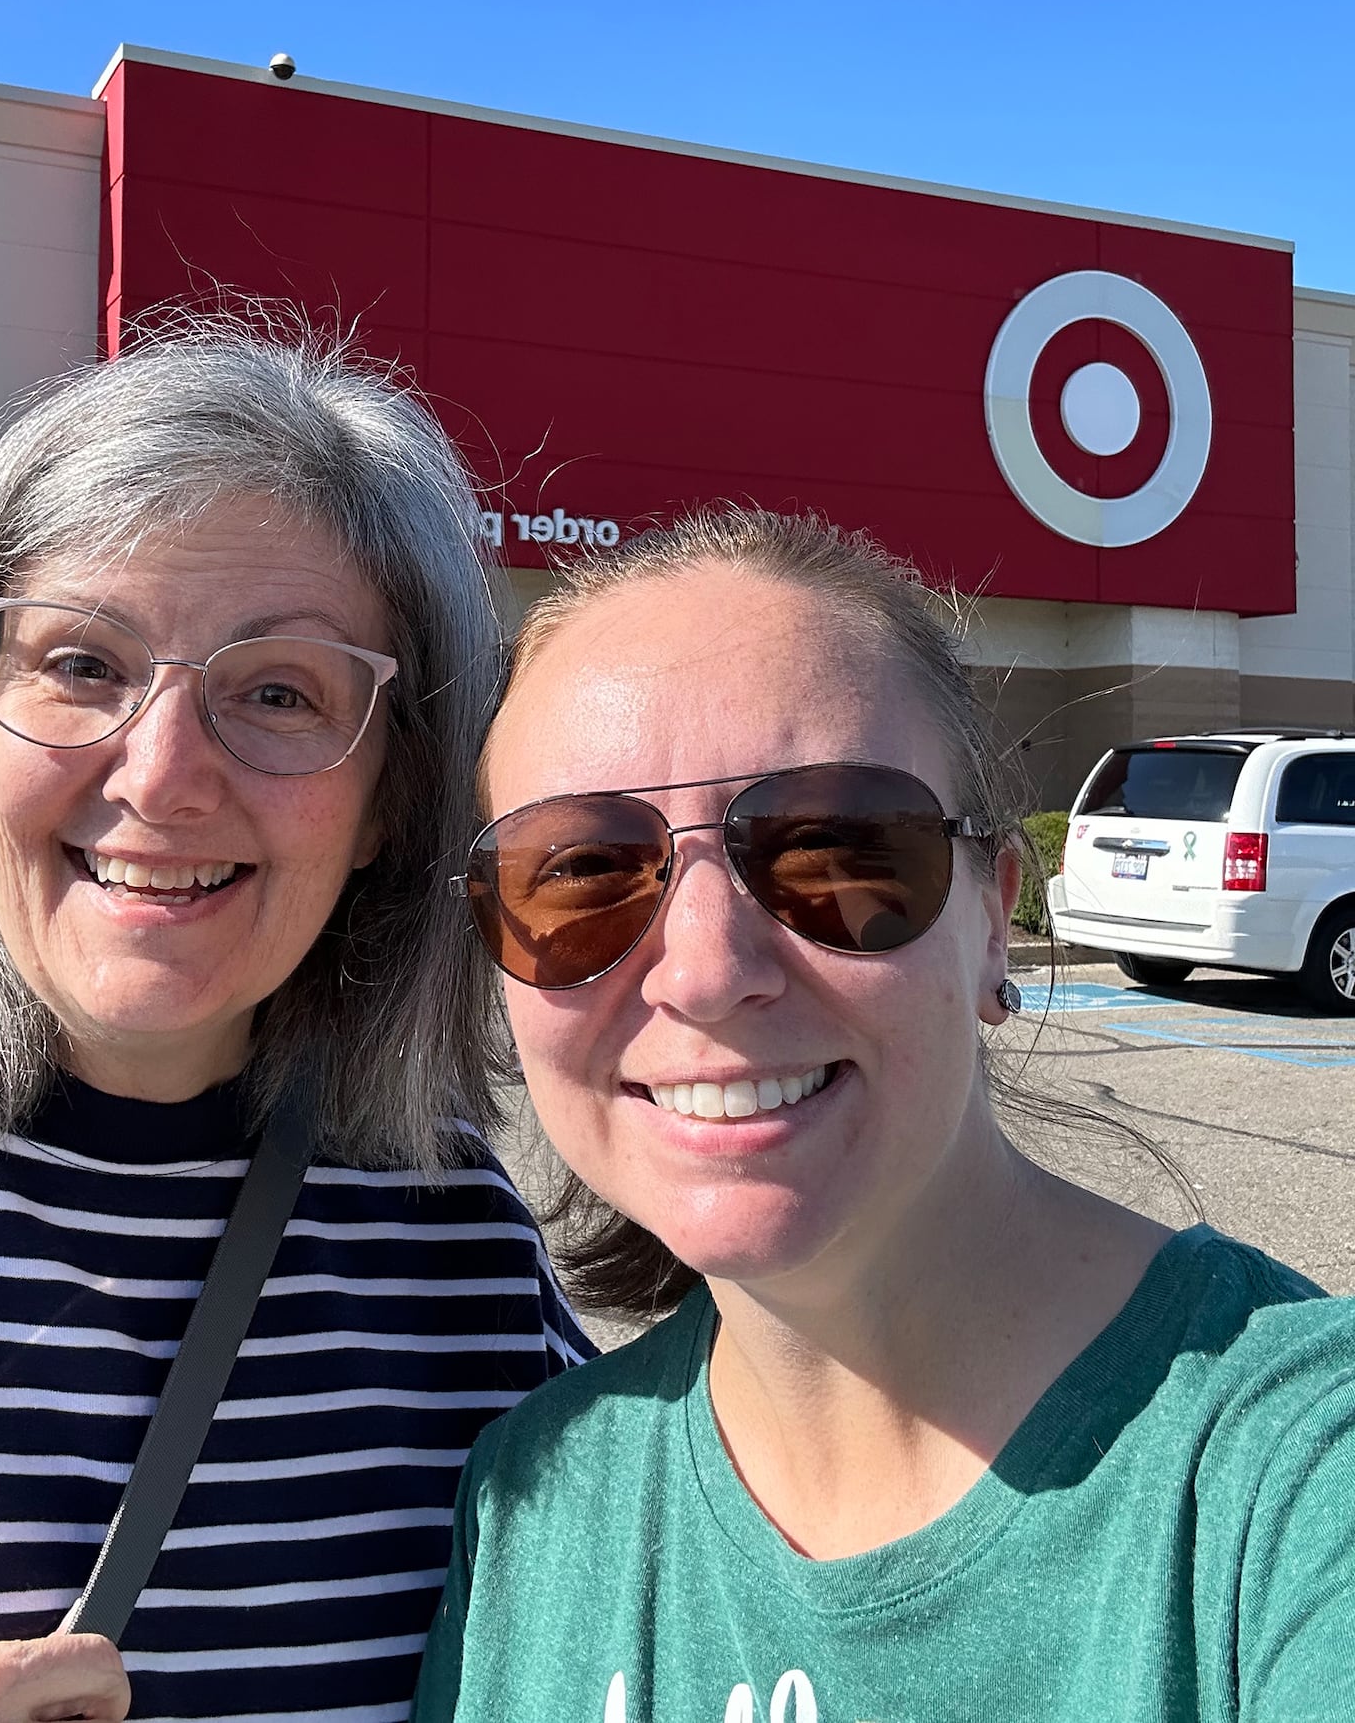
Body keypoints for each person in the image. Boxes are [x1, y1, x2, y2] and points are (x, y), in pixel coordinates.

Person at [0, 326, 587, 1721]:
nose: (164, 775)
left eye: (277, 693)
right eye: (82, 662)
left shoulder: (457, 1249)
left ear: (393, 798)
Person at [413, 506, 1355, 1723]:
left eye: (835, 850)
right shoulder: (532, 1507)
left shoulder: (1288, 1482)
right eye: (581, 872)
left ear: (990, 920)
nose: (703, 970)